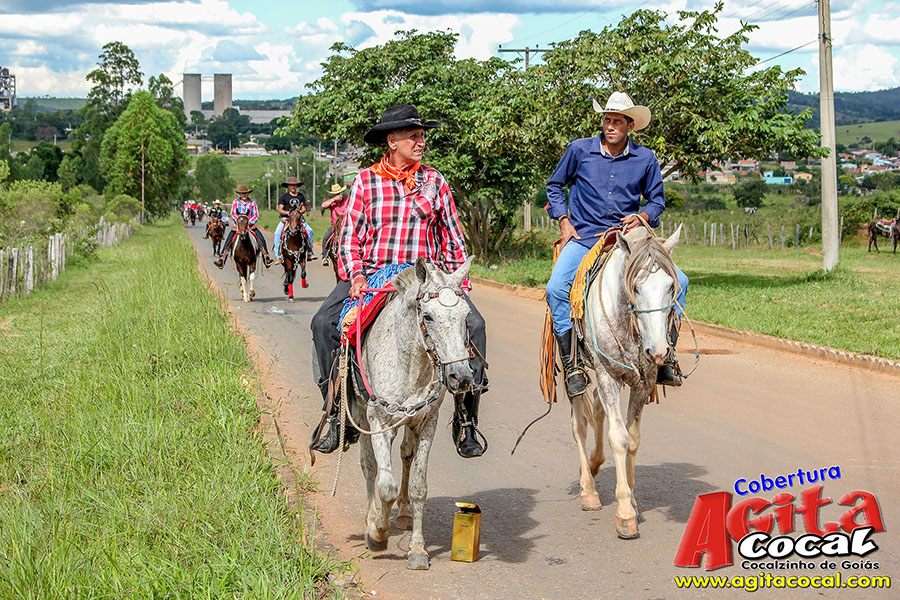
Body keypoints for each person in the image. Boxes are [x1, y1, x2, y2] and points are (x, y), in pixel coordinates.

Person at [309, 104, 489, 458]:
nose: (421, 142)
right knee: (323, 323)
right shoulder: (366, 181)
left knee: (476, 324)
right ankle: (337, 413)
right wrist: (357, 276)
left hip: (426, 279)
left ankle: (466, 419)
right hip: (375, 274)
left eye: (422, 136)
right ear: (392, 141)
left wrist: (457, 286)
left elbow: (452, 238)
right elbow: (349, 239)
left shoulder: (435, 181)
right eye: (414, 137)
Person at [545, 92, 689, 395]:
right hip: (586, 236)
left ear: (630, 126)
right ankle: (574, 364)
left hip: (631, 238)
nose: (610, 126)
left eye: (617, 121)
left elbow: (657, 201)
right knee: (556, 288)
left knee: (682, 281)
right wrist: (564, 221)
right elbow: (555, 186)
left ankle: (666, 356)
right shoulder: (579, 150)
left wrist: (643, 215)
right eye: (607, 120)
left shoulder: (646, 158)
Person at [213, 184, 273, 269]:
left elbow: (256, 215)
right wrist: (238, 222)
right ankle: (222, 258)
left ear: (248, 193)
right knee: (229, 239)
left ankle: (266, 256)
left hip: (250, 226)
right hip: (238, 226)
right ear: (239, 194)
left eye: (245, 193)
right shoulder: (235, 202)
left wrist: (249, 222)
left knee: (261, 238)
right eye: (242, 193)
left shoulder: (252, 203)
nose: (244, 195)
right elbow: (232, 214)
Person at [273, 176, 316, 264]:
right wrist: (288, 213)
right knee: (277, 233)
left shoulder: (300, 196)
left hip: (298, 219)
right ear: (288, 186)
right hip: (286, 219)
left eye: (294, 185)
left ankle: (310, 252)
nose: (293, 187)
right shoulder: (284, 197)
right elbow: (280, 209)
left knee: (309, 230)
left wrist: (300, 211)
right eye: (291, 185)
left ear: (297, 186)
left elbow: (304, 208)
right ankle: (278, 256)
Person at [320, 182, 348, 266]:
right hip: (334, 225)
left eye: (339, 193)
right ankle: (325, 257)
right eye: (336, 194)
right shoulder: (332, 201)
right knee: (326, 237)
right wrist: (333, 200)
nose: (338, 195)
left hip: (346, 224)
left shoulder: (347, 200)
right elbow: (324, 205)